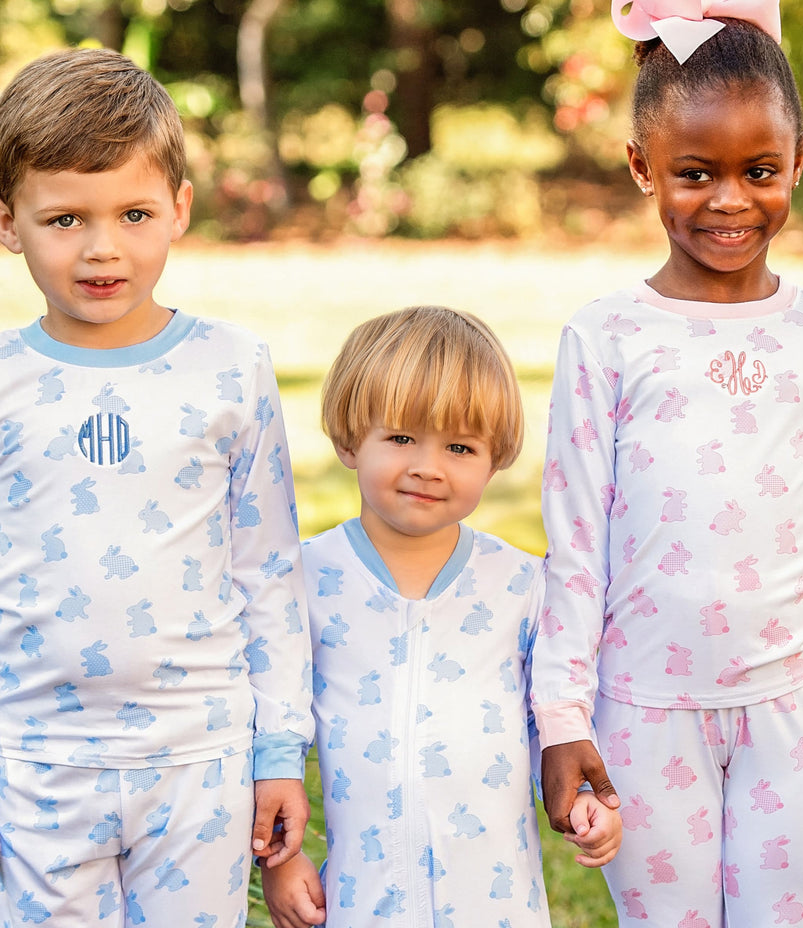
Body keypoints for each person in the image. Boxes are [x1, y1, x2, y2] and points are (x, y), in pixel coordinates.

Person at [0, 47, 313, 927]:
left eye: (134, 214)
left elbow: (269, 574)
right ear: (6, 221)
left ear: (180, 209)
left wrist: (279, 749)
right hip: (39, 766)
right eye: (64, 219)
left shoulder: (232, 369)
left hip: (200, 759)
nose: (103, 248)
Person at [529, 0, 803, 926]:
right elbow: (574, 545)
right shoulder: (606, 337)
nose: (730, 200)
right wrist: (562, 717)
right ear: (642, 167)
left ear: (798, 159)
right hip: (642, 711)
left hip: (795, 707)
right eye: (694, 173)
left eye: (760, 170)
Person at [261, 306, 620, 928]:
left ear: (495, 460)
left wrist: (588, 800)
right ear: (348, 440)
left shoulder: (522, 586)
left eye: (460, 447)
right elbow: (271, 727)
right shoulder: (303, 581)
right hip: (360, 900)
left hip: (496, 903)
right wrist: (280, 861)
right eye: (402, 438)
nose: (428, 466)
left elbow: (552, 715)